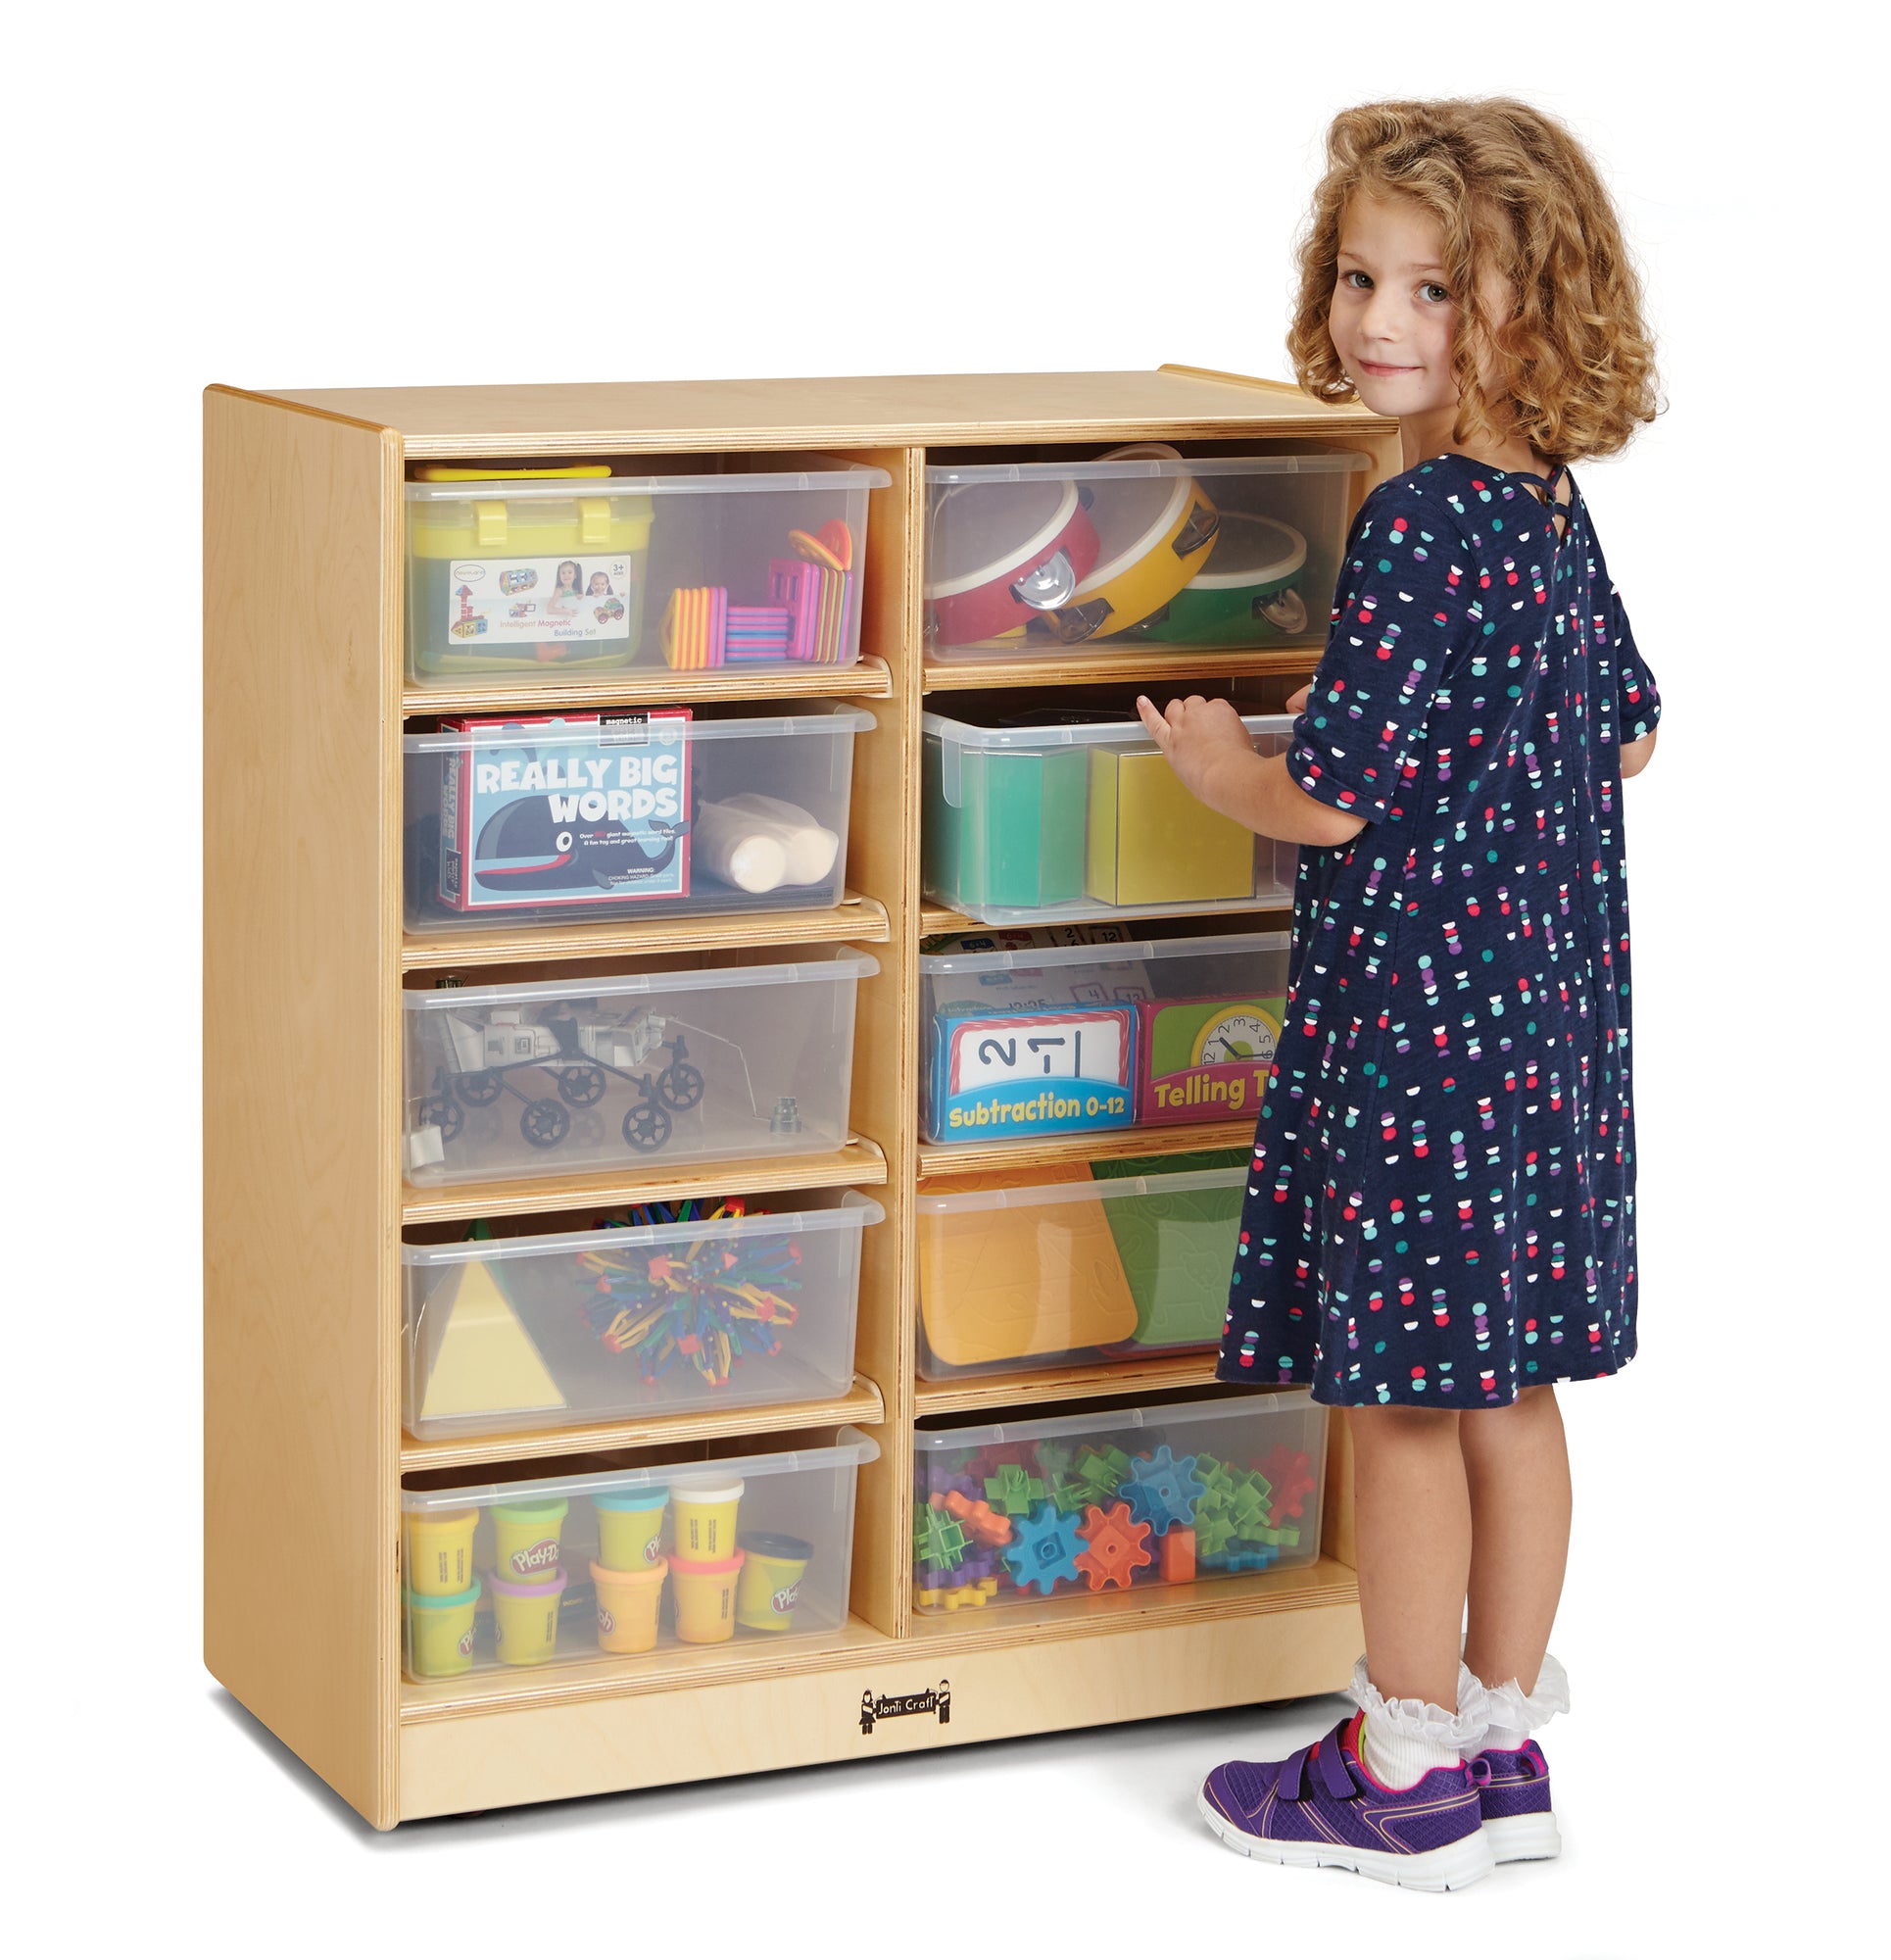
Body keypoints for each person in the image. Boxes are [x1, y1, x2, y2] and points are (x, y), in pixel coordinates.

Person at [1136, 97, 1661, 1892]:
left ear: (1531, 309)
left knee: (1403, 1403)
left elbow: (1333, 795)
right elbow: (1633, 730)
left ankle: (1399, 1767)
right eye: (1360, 277)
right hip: (1546, 1038)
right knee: (1511, 1390)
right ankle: (1502, 1748)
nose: (1377, 320)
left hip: (1421, 1039)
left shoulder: (1421, 517)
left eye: (1433, 290)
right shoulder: (1544, 508)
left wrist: (1220, 769)